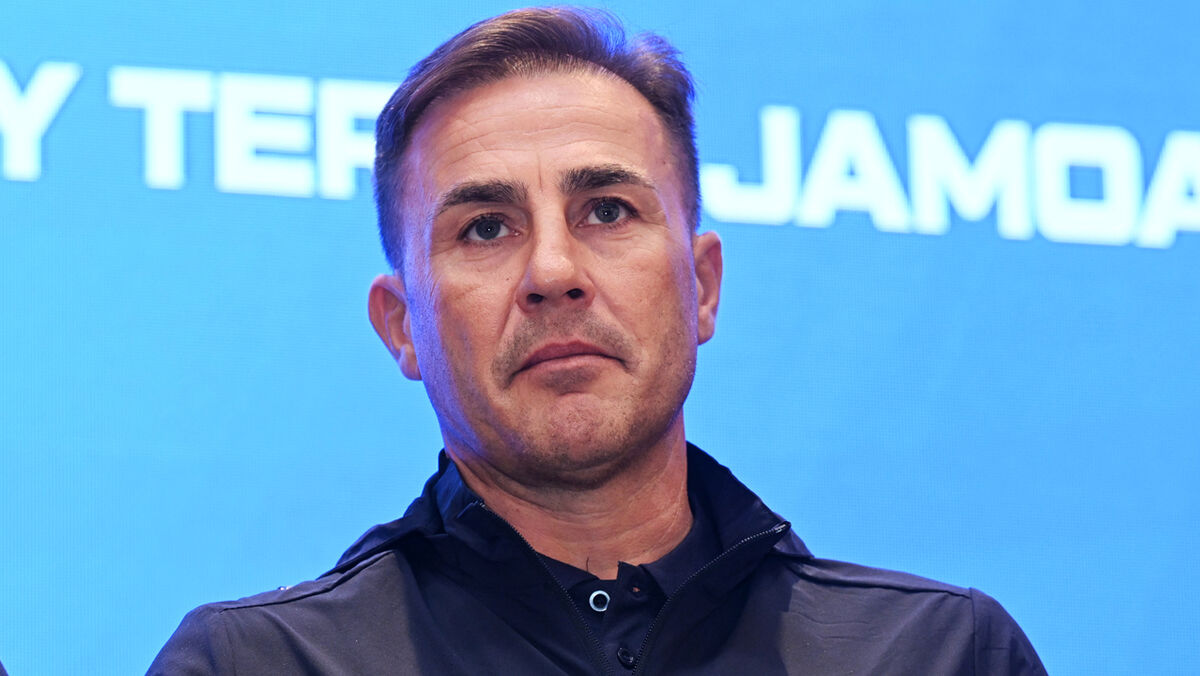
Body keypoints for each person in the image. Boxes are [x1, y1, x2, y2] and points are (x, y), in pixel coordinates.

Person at [149, 7, 1045, 674]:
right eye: (486, 228)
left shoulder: (940, 652)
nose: (553, 270)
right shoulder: (260, 664)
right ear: (402, 326)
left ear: (701, 286)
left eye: (608, 211)